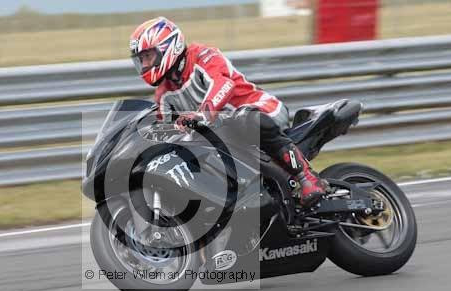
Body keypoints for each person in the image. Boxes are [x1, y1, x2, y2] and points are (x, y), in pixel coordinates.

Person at [130, 17, 327, 206]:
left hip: (260, 110)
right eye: (141, 59)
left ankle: (307, 177)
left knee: (244, 119)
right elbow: (167, 130)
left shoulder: (202, 56)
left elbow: (223, 84)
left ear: (168, 47)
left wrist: (203, 114)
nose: (145, 65)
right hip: (224, 132)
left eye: (148, 56)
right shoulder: (163, 94)